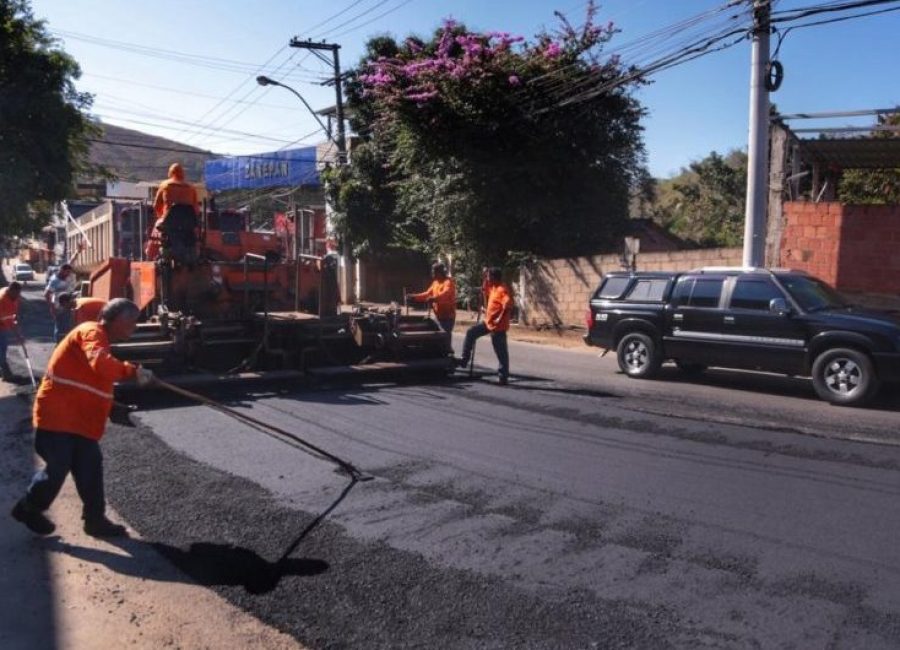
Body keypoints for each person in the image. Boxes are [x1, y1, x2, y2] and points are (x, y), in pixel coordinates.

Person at [10, 298, 154, 537]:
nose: (134, 328)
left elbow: (88, 383)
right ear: (118, 320)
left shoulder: (102, 341)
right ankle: (28, 508)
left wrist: (112, 407)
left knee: (90, 468)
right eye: (132, 322)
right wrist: (132, 372)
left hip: (79, 421)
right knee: (58, 466)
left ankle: (95, 521)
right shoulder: (91, 331)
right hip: (57, 417)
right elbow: (99, 365)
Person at [456, 267, 513, 385]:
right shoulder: (493, 288)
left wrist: (499, 318)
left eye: (489, 277)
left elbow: (507, 305)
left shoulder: (502, 290)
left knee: (501, 352)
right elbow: (484, 289)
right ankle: (464, 359)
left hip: (498, 327)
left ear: (494, 278)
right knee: (471, 333)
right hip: (488, 323)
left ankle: (503, 376)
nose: (488, 278)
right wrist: (484, 275)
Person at [146, 163, 200, 260]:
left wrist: (161, 217)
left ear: (170, 173)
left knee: (156, 229)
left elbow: (156, 206)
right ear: (183, 174)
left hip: (169, 222)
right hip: (188, 224)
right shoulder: (191, 188)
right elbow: (196, 209)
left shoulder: (165, 185)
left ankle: (150, 256)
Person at [407, 262, 457, 334]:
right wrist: (414, 297)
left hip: (447, 318)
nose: (433, 274)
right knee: (437, 340)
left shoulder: (448, 282)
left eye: (434, 272)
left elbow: (445, 294)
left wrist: (434, 298)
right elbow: (427, 294)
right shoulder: (435, 282)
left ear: (440, 272)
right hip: (438, 316)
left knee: (445, 340)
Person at [44, 263, 78, 342]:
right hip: (59, 307)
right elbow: (46, 294)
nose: (69, 274)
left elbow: (71, 261)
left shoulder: (69, 276)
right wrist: (52, 308)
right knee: (60, 327)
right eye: (67, 272)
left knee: (69, 325)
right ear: (62, 271)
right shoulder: (54, 281)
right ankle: (58, 344)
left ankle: (68, 343)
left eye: (70, 272)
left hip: (69, 304)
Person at [0, 282, 23, 381]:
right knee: (1, 350)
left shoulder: (15, 297)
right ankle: (6, 373)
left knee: (3, 348)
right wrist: (17, 334)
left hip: (3, 326)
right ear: (10, 291)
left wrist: (18, 334)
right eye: (16, 294)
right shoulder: (2, 301)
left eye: (19, 293)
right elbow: (7, 320)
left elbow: (12, 316)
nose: (18, 296)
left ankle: (3, 371)